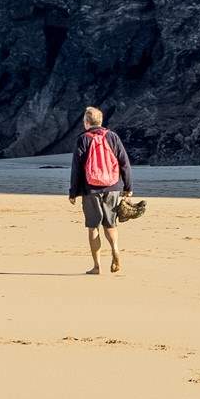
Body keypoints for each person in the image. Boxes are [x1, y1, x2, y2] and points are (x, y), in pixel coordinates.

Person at [69, 106, 133, 275]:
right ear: (101, 121)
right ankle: (115, 250)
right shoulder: (113, 137)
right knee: (110, 224)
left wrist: (73, 192)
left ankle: (97, 266)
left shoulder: (83, 139)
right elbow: (124, 163)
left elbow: (76, 168)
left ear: (86, 122)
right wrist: (128, 187)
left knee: (93, 227)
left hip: (90, 189)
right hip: (113, 187)